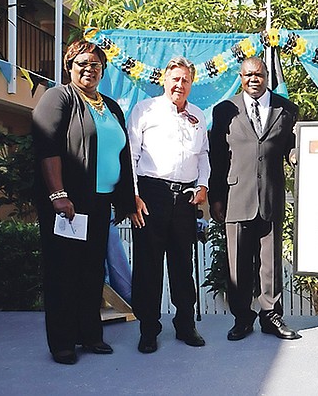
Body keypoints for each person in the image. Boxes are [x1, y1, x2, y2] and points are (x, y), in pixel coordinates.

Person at [32, 39, 136, 365]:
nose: (89, 69)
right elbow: (47, 147)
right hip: (69, 204)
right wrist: (58, 195)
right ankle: (62, 342)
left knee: (93, 272)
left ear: (103, 69)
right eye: (82, 63)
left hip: (100, 201)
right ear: (70, 66)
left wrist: (126, 199)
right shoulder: (58, 97)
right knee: (65, 271)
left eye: (95, 64)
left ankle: (90, 335)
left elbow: (122, 154)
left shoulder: (111, 106)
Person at [209, 57, 300, 341]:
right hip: (236, 195)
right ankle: (242, 318)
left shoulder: (286, 109)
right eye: (248, 75)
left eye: (259, 74)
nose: (253, 79)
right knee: (238, 264)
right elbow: (217, 157)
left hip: (271, 195)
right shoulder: (225, 110)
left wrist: (297, 156)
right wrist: (216, 198)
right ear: (240, 76)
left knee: (270, 263)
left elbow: (291, 148)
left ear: (266, 76)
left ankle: (271, 317)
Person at [128, 56, 210, 353]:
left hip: (185, 198)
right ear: (165, 80)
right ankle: (148, 328)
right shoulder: (144, 110)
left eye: (186, 80)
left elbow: (203, 156)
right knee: (149, 266)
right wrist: (133, 196)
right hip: (151, 194)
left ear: (191, 84)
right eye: (175, 79)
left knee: (182, 265)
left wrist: (203, 185)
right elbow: (131, 156)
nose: (180, 84)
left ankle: (185, 324)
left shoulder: (198, 115)